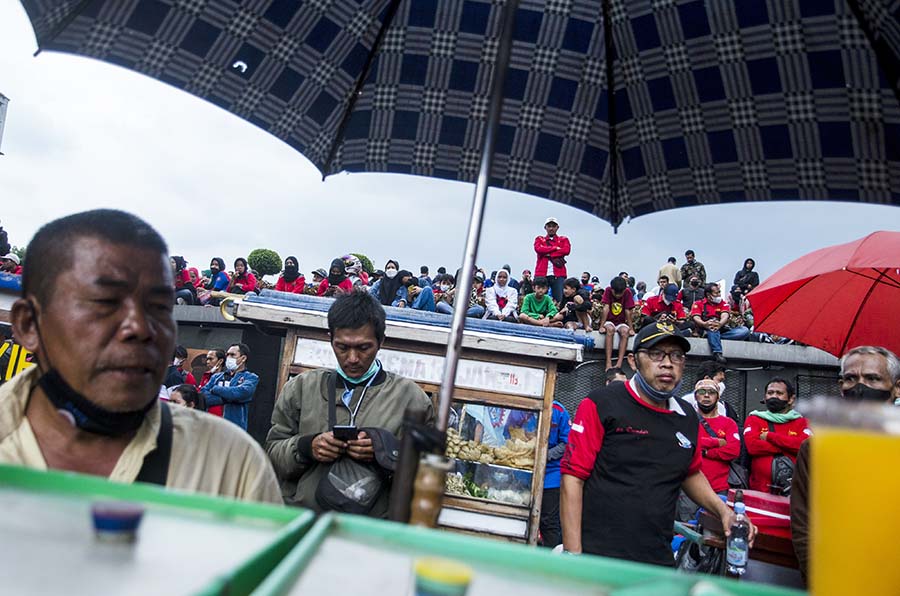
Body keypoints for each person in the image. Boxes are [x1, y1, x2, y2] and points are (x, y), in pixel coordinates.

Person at [0, 209, 280, 502]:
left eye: (160, 307)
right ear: (28, 324)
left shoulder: (232, 467)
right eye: (104, 303)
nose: (141, 328)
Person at [560, 322, 755, 564]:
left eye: (676, 356)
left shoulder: (686, 415)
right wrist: (572, 554)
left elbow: (690, 473)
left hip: (656, 558)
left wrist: (724, 512)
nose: (667, 363)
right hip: (598, 556)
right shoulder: (601, 404)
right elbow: (573, 477)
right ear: (633, 361)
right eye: (656, 354)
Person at [265, 290, 434, 515]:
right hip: (301, 520)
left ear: (381, 341)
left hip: (369, 533)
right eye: (342, 347)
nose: (352, 358)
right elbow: (272, 454)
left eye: (364, 348)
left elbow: (428, 473)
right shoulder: (301, 388)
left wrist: (385, 454)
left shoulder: (412, 399)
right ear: (330, 338)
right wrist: (307, 447)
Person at [791, 345, 900, 583]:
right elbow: (803, 525)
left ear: (896, 388)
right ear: (841, 387)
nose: (860, 386)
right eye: (851, 378)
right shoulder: (816, 450)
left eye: (873, 378)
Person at [678, 379, 741, 521]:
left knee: (715, 533)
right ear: (695, 396)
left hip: (719, 489)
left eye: (711, 392)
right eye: (701, 392)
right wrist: (716, 442)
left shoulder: (728, 423)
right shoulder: (686, 420)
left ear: (718, 397)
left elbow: (733, 450)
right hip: (690, 489)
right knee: (687, 532)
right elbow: (683, 445)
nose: (706, 395)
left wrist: (705, 451)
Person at [743, 378, 811, 494]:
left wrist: (770, 437)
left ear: (791, 399)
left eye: (779, 393)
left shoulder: (803, 422)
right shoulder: (754, 419)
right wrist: (788, 447)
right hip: (760, 490)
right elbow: (752, 447)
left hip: (792, 492)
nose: (774, 396)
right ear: (765, 397)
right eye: (770, 393)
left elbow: (803, 447)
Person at [200, 343, 259, 431]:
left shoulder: (251, 377)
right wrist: (229, 398)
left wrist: (216, 389)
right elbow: (203, 396)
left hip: (235, 430)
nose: (228, 357)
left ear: (243, 358)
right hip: (210, 426)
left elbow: (242, 393)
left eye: (232, 355)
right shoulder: (216, 377)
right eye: (227, 355)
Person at [690, 283, 750, 364]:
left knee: (744, 331)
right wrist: (705, 324)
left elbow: (725, 315)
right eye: (716, 293)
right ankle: (717, 352)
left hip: (721, 329)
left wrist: (720, 324)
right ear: (708, 294)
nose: (719, 294)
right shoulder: (698, 304)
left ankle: (714, 338)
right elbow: (696, 317)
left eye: (719, 292)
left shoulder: (723, 303)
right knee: (712, 328)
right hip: (706, 328)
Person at [540, 400, 571, 548]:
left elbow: (566, 443)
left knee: (549, 522)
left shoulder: (559, 410)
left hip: (552, 476)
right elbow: (508, 432)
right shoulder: (523, 409)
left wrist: (544, 455)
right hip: (525, 474)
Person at [596, 276, 636, 371]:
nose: (618, 296)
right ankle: (608, 362)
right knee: (610, 330)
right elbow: (606, 308)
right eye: (616, 293)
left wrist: (631, 328)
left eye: (620, 293)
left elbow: (627, 311)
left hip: (621, 321)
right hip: (609, 320)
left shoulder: (627, 292)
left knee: (625, 332)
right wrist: (602, 326)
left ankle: (619, 363)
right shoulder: (608, 290)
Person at [533, 217, 571, 303]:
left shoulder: (563, 239)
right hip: (541, 273)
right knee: (538, 299)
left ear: (557, 227)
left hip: (558, 274)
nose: (551, 228)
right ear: (545, 227)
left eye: (553, 226)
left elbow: (566, 250)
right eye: (549, 226)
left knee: (560, 299)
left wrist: (548, 253)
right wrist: (555, 248)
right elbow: (538, 249)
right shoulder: (539, 239)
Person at [199, 349, 226, 417]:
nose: (208, 362)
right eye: (207, 359)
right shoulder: (206, 375)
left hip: (219, 416)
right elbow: (200, 395)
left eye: (211, 359)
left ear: (220, 361)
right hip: (203, 414)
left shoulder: (226, 377)